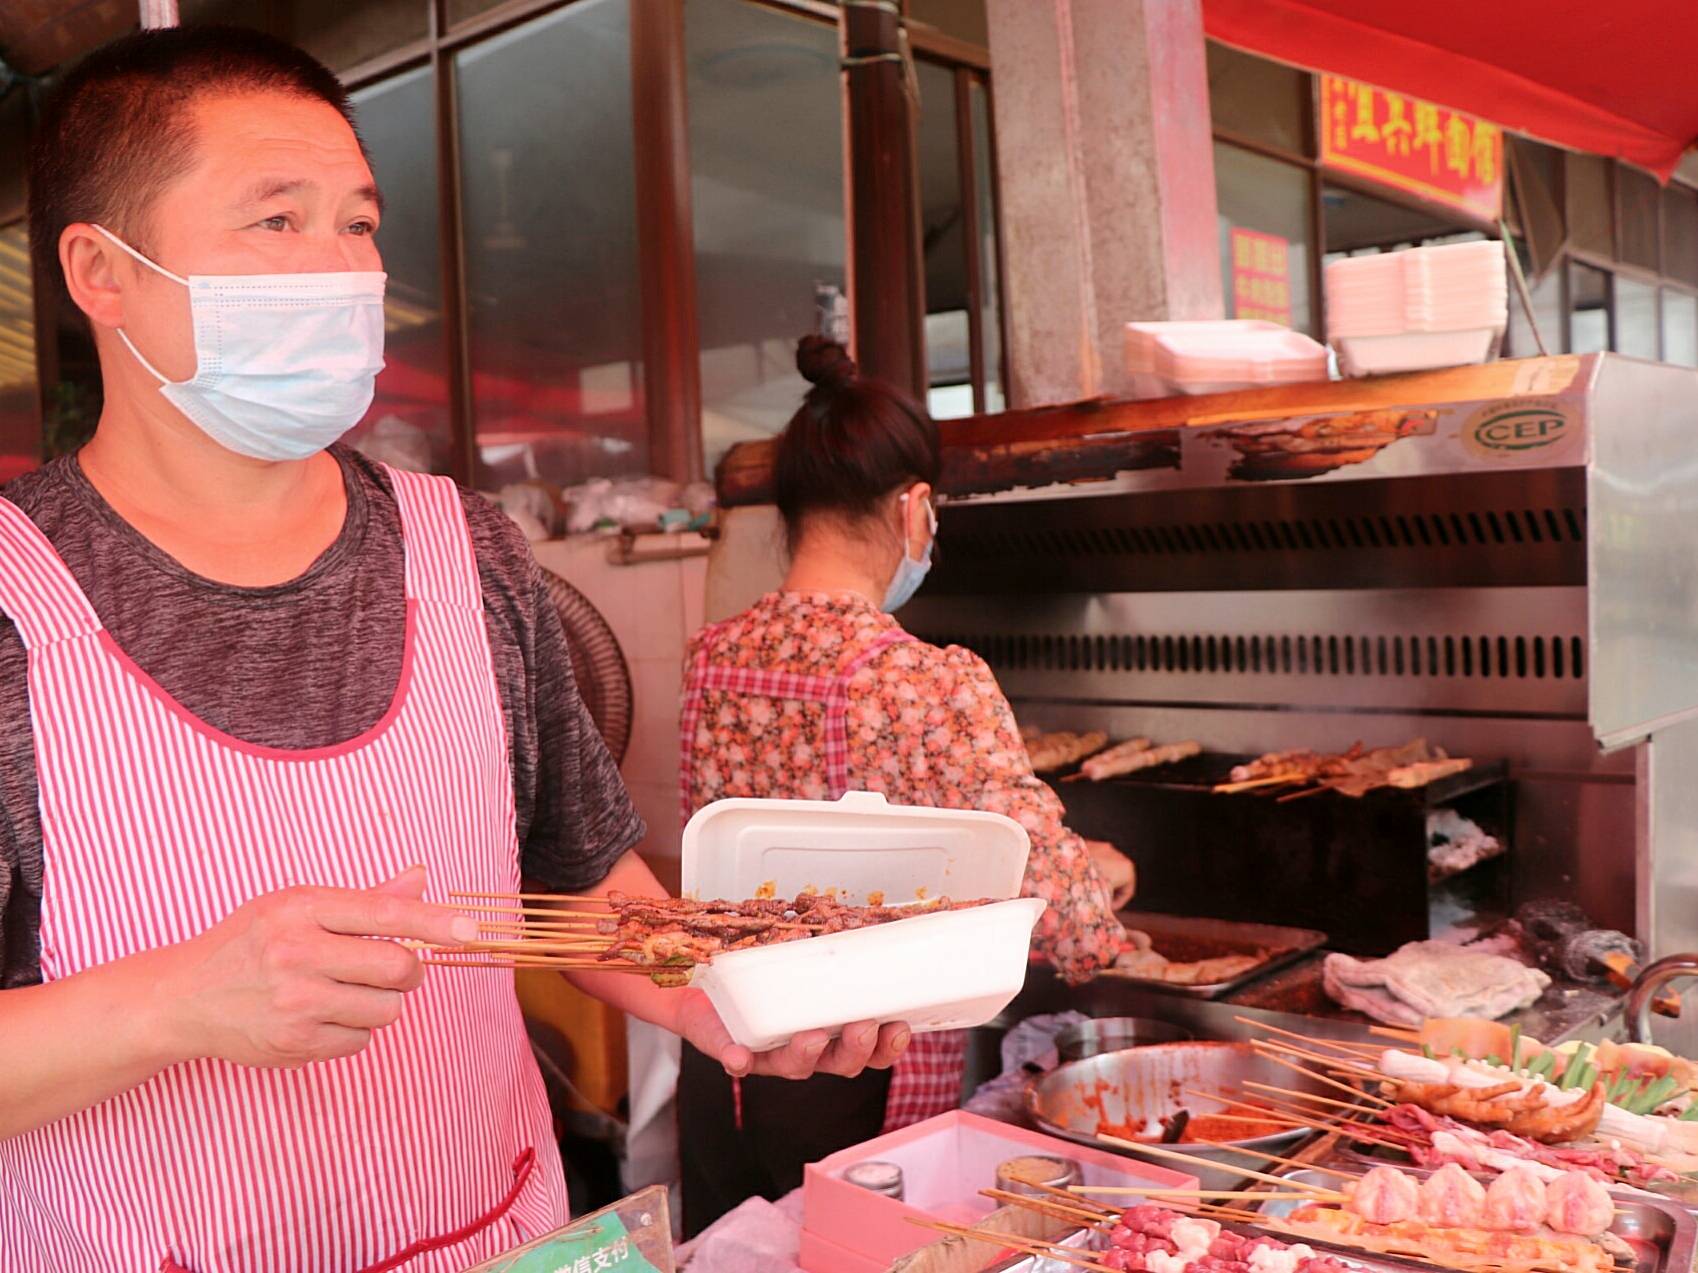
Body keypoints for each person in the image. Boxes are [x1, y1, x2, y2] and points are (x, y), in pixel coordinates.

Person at [0, 28, 904, 1270]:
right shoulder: (15, 603)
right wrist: (176, 1003)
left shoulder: (466, 550)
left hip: (498, 1238)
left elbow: (586, 890)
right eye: (277, 222)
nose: (338, 268)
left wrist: (739, 1003)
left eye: (358, 225)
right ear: (101, 270)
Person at [676, 336, 1136, 1235]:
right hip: (857, 1068)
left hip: (727, 1049)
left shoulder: (711, 656)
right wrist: (1106, 883)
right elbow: (1069, 915)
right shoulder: (925, 679)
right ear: (914, 506)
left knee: (741, 1255)